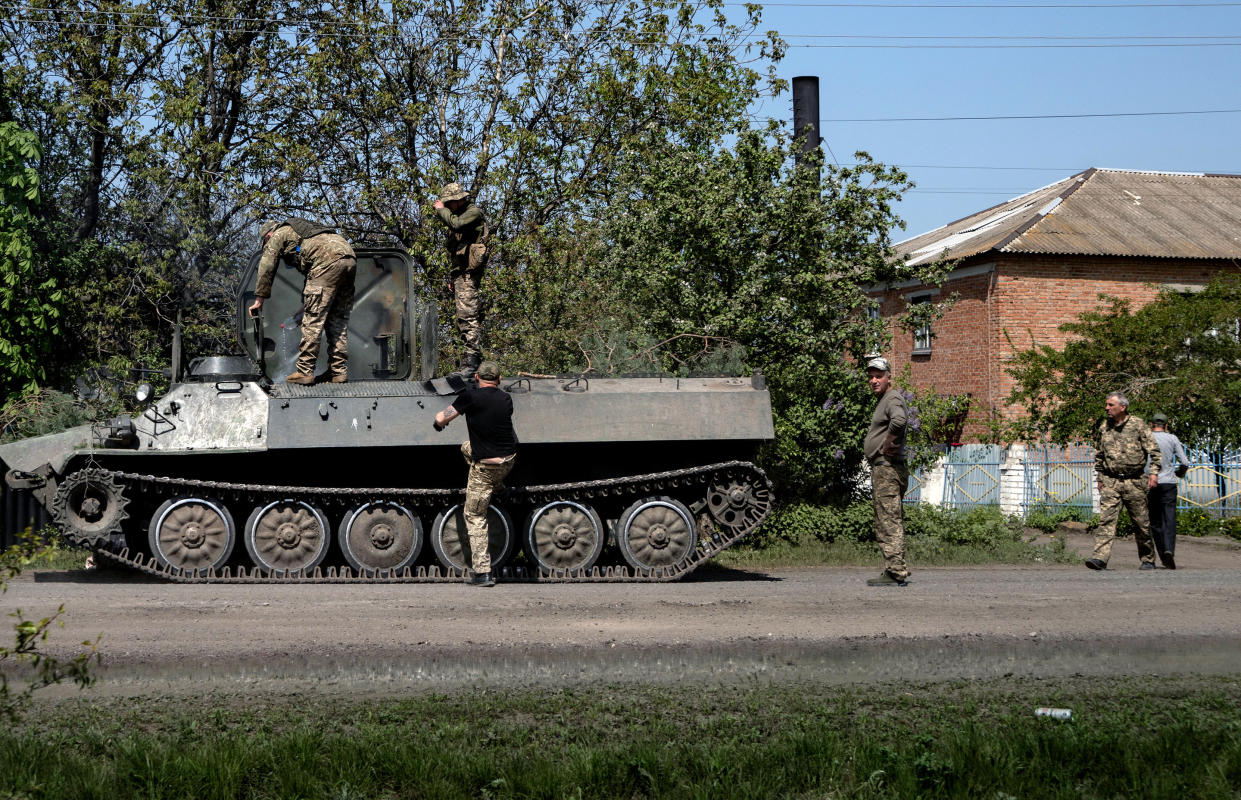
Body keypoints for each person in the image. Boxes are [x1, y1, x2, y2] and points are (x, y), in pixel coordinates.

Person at [432, 360, 517, 586]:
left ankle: (483, 573)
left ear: (477, 378)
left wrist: (439, 423)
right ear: (499, 380)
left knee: (475, 516)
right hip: (508, 461)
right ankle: (500, 487)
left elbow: (442, 418)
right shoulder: (506, 399)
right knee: (465, 447)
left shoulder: (470, 396)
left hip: (486, 468)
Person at [248, 218, 357, 385]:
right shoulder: (304, 232)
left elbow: (267, 263)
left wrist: (259, 298)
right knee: (337, 321)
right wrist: (304, 305)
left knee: (312, 322)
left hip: (327, 261)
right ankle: (338, 372)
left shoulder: (278, 233)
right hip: (349, 257)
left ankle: (305, 371)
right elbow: (313, 277)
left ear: (268, 235)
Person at [1086, 392, 1161, 571]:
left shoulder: (1138, 425)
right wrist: (1100, 477)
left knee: (1141, 523)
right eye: (1107, 404)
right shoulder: (1105, 427)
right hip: (1111, 481)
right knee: (1106, 521)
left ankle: (1148, 559)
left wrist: (1154, 474)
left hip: (1134, 481)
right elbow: (1099, 454)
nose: (1107, 408)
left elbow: (1154, 451)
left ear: (1122, 407)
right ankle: (1100, 558)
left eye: (1111, 405)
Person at [433, 182, 489, 380]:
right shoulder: (460, 215)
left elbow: (455, 224)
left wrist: (441, 210)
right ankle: (470, 359)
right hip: (461, 273)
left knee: (468, 315)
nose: (447, 207)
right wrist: (452, 274)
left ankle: (473, 360)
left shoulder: (473, 213)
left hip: (469, 274)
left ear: (457, 200)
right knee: (462, 317)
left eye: (449, 203)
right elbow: (456, 251)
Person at [863, 356, 910, 586]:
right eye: (871, 376)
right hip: (887, 469)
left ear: (889, 377)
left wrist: (889, 443)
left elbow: (899, 421)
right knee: (886, 519)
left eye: (878, 376)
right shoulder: (885, 399)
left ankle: (895, 572)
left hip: (887, 469)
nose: (874, 380)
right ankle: (893, 569)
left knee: (889, 521)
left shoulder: (892, 398)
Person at [1148, 412, 1188, 570]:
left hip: (1150, 482)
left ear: (1151, 424)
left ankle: (1162, 554)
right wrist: (1180, 472)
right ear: (1166, 425)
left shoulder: (1146, 437)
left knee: (1155, 521)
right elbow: (1184, 461)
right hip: (1169, 483)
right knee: (1169, 518)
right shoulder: (1172, 438)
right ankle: (1169, 550)